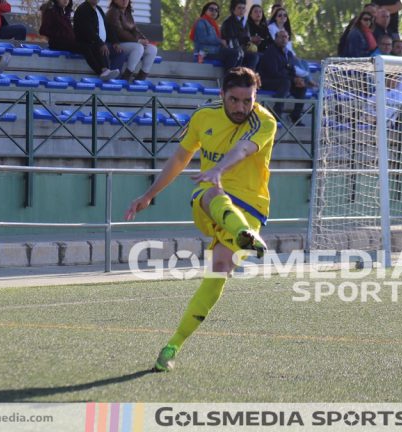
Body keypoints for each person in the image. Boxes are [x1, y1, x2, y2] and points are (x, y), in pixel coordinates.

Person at [124, 67, 276, 372]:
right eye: (234, 100)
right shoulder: (203, 116)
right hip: (213, 195)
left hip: (250, 204)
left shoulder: (265, 121)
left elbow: (244, 149)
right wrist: (149, 194)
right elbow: (181, 158)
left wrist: (219, 169)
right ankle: (243, 233)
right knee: (206, 192)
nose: (241, 108)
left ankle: (173, 345)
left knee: (219, 270)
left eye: (248, 100)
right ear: (222, 95)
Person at [257, 29, 306, 124]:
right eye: (281, 37)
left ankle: (295, 116)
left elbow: (291, 70)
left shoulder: (288, 53)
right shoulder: (271, 51)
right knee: (285, 83)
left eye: (286, 37)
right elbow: (273, 72)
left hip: (284, 80)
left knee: (302, 88)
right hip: (267, 80)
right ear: (276, 39)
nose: (284, 39)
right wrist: (292, 79)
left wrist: (297, 79)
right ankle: (276, 114)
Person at [106, 0, 157, 81]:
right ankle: (127, 74)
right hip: (117, 44)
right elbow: (119, 32)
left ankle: (141, 76)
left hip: (130, 43)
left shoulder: (127, 13)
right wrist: (138, 41)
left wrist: (143, 39)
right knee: (138, 48)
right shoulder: (113, 12)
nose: (124, 1)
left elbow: (135, 30)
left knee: (152, 49)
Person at [73, 0, 123, 80]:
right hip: (88, 42)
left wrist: (115, 42)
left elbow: (108, 27)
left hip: (101, 42)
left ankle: (115, 77)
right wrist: (100, 43)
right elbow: (88, 30)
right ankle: (104, 70)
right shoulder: (83, 9)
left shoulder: (99, 9)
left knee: (119, 52)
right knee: (99, 47)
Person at [221, 0, 259, 70]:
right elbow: (231, 41)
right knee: (238, 54)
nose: (242, 10)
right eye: (239, 8)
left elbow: (246, 38)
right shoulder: (228, 22)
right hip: (231, 51)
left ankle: (247, 77)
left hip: (242, 50)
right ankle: (232, 78)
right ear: (233, 9)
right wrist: (249, 39)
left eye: (243, 8)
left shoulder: (244, 22)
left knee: (254, 56)